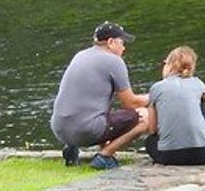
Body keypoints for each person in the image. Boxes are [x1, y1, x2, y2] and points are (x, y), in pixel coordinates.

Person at [50, 21, 150, 170]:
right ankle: (105, 156)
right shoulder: (114, 61)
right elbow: (131, 103)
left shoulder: (80, 55)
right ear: (110, 42)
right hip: (84, 131)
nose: (124, 48)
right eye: (122, 43)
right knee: (144, 117)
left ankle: (72, 148)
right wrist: (154, 95)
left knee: (99, 113)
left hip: (60, 129)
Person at [144, 45, 205, 166]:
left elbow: (152, 129)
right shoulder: (198, 83)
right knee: (203, 104)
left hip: (169, 156)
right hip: (204, 154)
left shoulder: (156, 88)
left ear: (170, 65)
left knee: (149, 141)